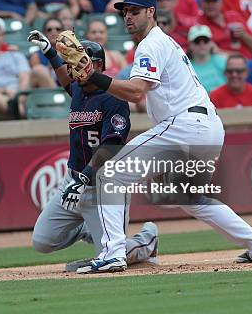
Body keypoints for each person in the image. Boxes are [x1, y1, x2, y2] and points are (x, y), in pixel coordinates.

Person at [59, 0, 252, 273]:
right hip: (206, 126)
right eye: (125, 11)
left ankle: (113, 253)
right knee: (191, 198)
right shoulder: (163, 43)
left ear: (151, 12)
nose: (128, 16)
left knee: (110, 173)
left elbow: (137, 92)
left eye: (135, 11)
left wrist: (94, 77)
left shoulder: (151, 44)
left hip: (185, 125)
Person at [27, 34, 159, 272]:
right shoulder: (78, 88)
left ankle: (146, 241)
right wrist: (50, 53)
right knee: (42, 241)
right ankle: (88, 228)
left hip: (103, 184)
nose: (74, 68)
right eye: (72, 63)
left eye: (80, 62)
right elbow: (67, 82)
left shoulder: (114, 96)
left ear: (98, 65)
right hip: (74, 178)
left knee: (111, 254)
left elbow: (113, 142)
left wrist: (86, 176)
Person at [186, 25, 227, 93]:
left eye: (205, 40)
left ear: (211, 43)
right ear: (190, 44)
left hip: (222, 101)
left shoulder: (223, 61)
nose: (202, 44)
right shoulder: (186, 67)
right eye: (197, 41)